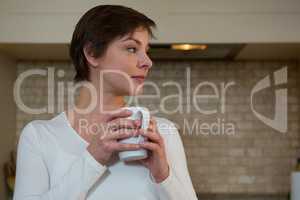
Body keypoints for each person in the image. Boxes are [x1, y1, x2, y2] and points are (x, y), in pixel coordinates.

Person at [13, 5, 198, 200]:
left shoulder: (163, 133)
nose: (147, 62)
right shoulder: (39, 137)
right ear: (92, 53)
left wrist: (163, 176)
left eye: (146, 50)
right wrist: (93, 158)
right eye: (132, 48)